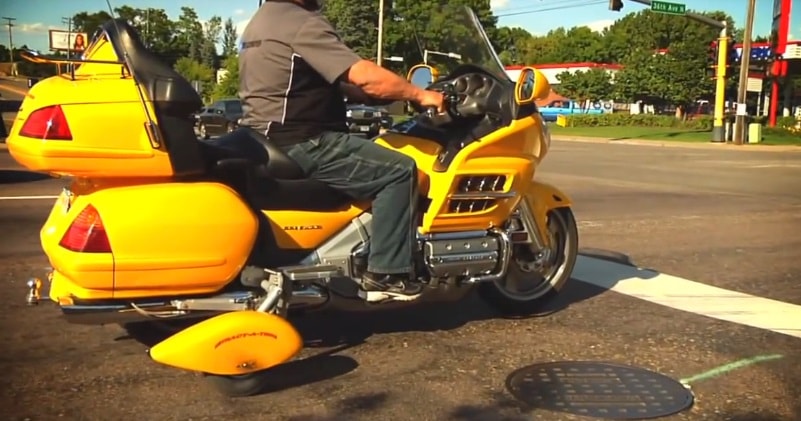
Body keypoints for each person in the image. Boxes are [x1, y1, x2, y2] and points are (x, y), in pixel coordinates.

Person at [238, 0, 444, 302]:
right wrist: (418, 93)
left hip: (263, 138)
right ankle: (386, 273)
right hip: (305, 140)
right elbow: (362, 75)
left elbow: (330, 81)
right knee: (399, 171)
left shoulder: (261, 21)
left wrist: (385, 95)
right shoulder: (300, 21)